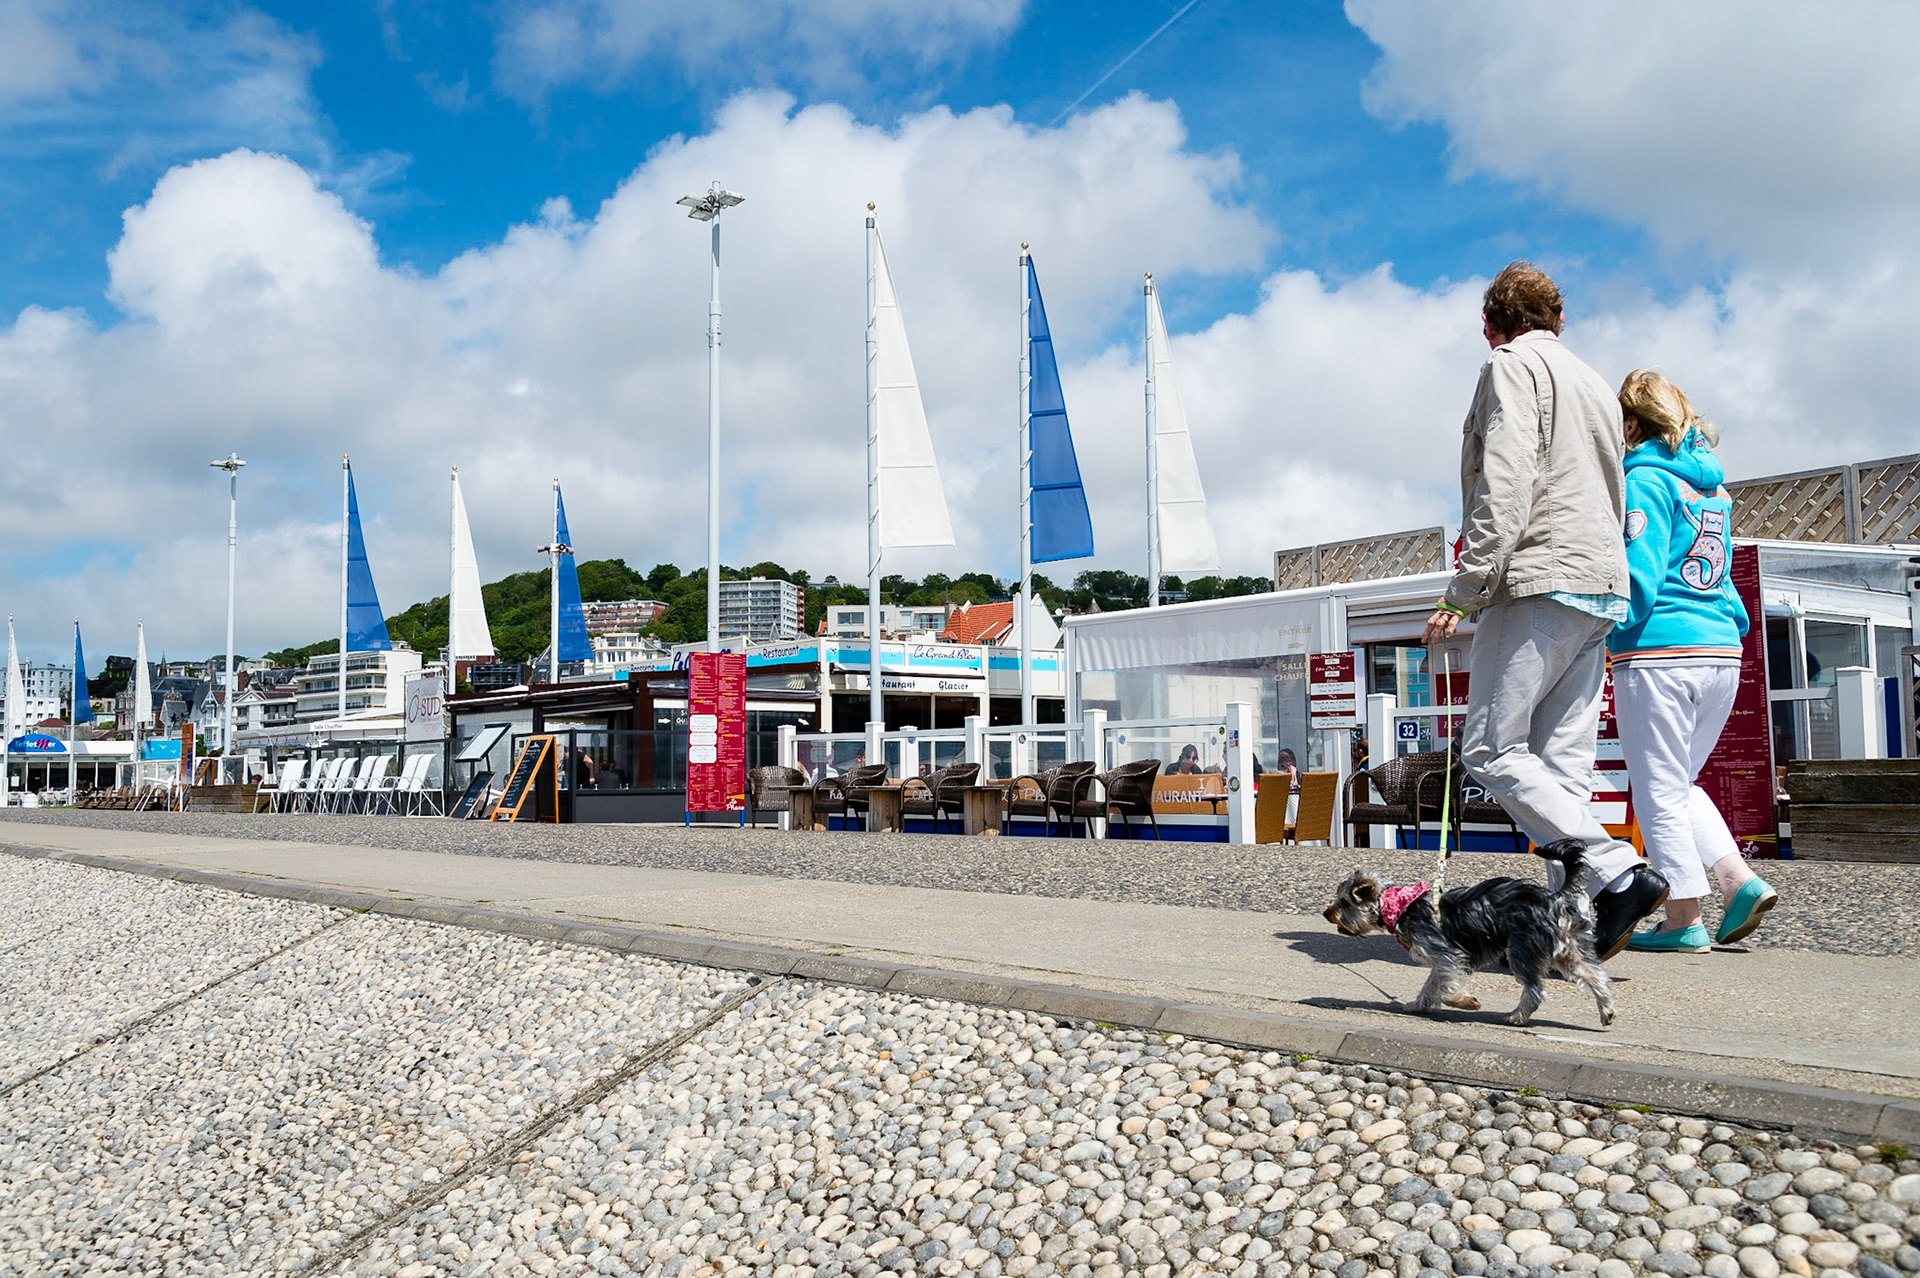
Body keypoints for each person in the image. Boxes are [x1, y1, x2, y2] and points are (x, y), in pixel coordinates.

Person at [1422, 261, 1667, 960]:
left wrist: (1462, 591)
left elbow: (1505, 479)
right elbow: (1615, 485)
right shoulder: (1593, 380)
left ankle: (1617, 873)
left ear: (1489, 326)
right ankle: (1574, 925)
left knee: (1492, 749)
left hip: (1538, 577)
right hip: (1601, 586)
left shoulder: (1508, 367)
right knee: (1562, 769)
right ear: (1560, 320)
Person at [1608, 371, 1777, 952]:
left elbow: (1641, 572)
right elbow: (1724, 575)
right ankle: (1738, 881)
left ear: (1632, 423)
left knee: (1656, 790)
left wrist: (1605, 630)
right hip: (1720, 651)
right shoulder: (1714, 492)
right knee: (1679, 782)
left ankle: (1683, 916)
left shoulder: (1646, 480)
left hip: (1659, 652)